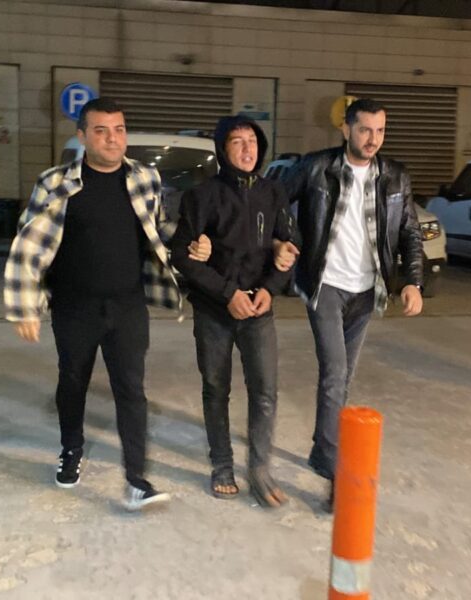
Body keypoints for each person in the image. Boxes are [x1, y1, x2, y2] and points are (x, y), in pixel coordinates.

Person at [3, 97, 210, 511]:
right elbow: (30, 241)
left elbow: (158, 228)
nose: (112, 138)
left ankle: (137, 479)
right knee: (73, 381)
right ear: (82, 137)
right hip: (74, 307)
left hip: (128, 306)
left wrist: (191, 244)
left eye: (119, 130)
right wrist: (26, 304)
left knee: (131, 390)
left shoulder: (144, 179)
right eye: (101, 131)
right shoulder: (55, 183)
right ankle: (71, 449)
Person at [276, 98, 425, 509]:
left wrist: (412, 281)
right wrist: (286, 240)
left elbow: (410, 231)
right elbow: (274, 201)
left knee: (343, 376)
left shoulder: (395, 176)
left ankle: (320, 448)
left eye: (380, 131)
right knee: (335, 373)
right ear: (346, 129)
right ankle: (331, 466)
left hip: (366, 290)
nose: (372, 139)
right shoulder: (316, 167)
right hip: (325, 284)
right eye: (364, 130)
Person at [170, 115, 297, 508]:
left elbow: (288, 246)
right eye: (237, 142)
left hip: (259, 308)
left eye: (253, 141)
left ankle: (259, 468)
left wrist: (271, 289)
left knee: (265, 391)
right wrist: (227, 294)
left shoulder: (273, 193)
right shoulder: (201, 196)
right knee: (216, 389)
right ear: (223, 150)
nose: (247, 149)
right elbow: (181, 255)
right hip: (215, 310)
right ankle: (222, 464)